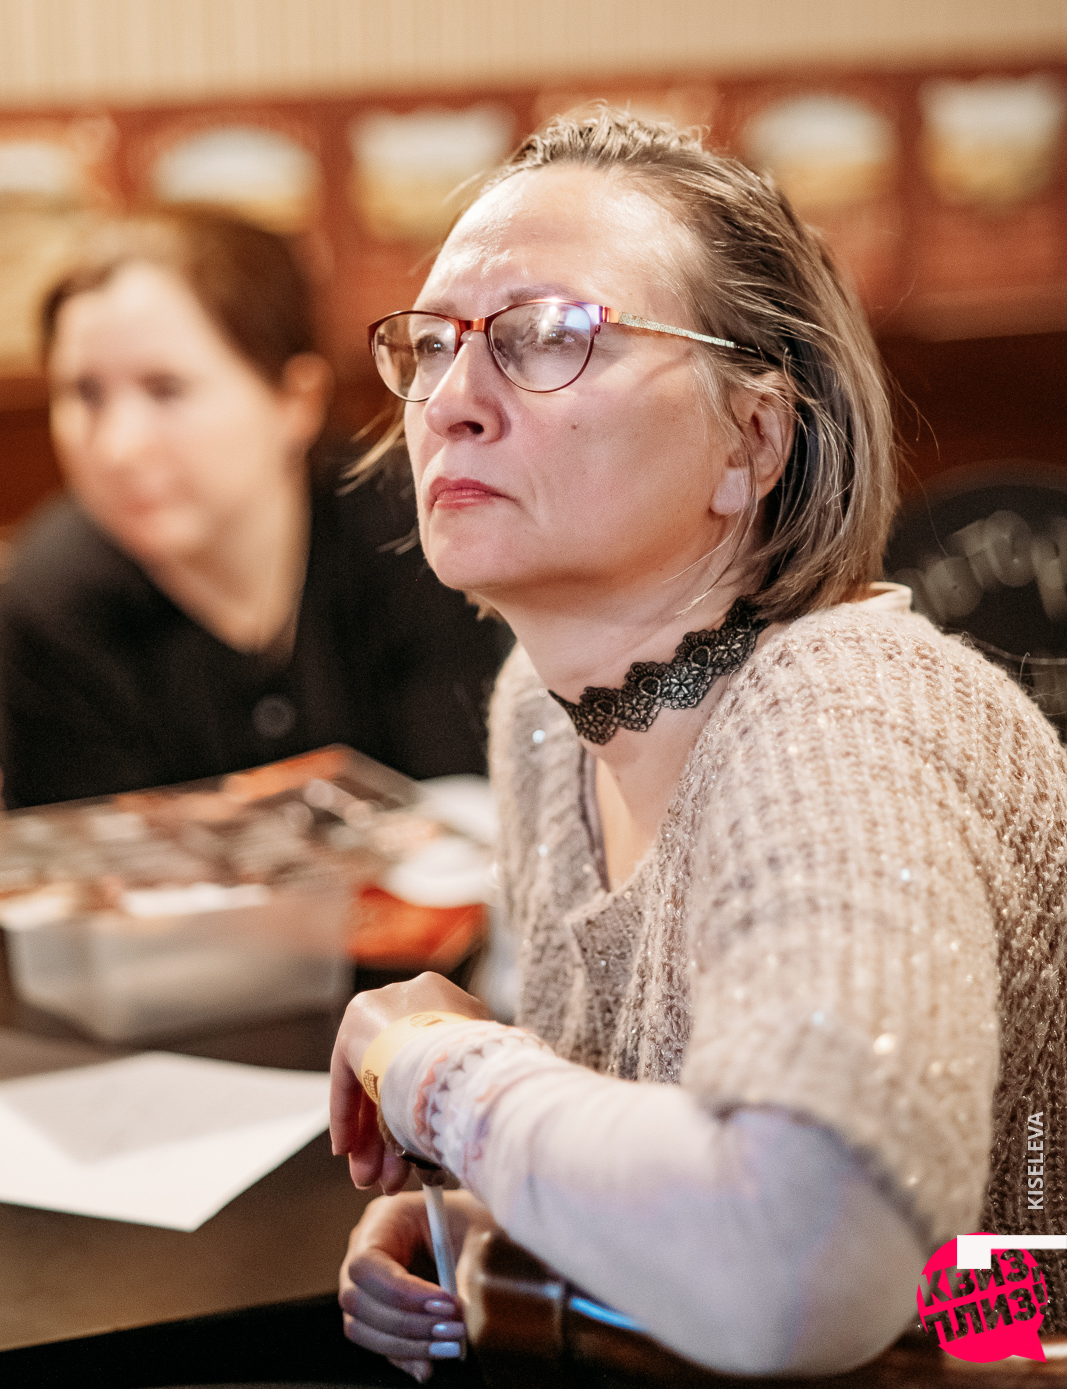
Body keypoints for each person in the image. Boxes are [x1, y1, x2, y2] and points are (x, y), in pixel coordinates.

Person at [328, 110, 1067, 1381]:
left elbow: (813, 1264)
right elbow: (676, 1167)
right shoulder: (540, 709)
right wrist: (514, 1218)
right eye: (433, 344)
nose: (448, 403)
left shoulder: (845, 719)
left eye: (547, 334)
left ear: (752, 440)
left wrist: (434, 1070)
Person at [0, 208, 509, 807]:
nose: (119, 447)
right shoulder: (49, 601)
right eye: (86, 394)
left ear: (296, 400)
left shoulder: (411, 528)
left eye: (166, 389)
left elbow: (465, 800)